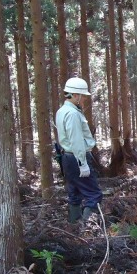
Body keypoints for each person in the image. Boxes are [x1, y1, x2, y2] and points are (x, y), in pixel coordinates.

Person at [56, 77, 103, 222]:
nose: (83, 99)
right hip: (76, 157)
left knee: (74, 193)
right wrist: (82, 163)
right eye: (82, 96)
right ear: (75, 95)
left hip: (67, 158)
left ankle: (74, 227)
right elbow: (76, 140)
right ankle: (88, 228)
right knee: (94, 194)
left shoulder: (62, 111)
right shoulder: (73, 114)